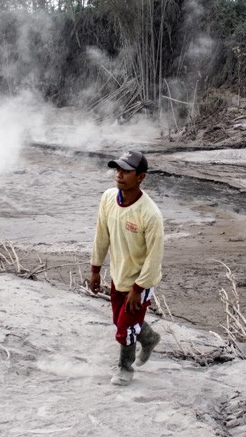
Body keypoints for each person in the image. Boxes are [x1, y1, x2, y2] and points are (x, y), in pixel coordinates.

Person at [89, 150, 164, 386]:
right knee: (119, 321)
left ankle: (125, 368)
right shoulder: (108, 198)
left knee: (125, 327)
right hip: (118, 275)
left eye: (126, 171)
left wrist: (138, 288)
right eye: (118, 169)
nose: (119, 175)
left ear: (141, 177)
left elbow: (154, 257)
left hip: (140, 281)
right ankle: (149, 337)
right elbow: (101, 236)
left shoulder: (150, 214)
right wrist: (95, 269)